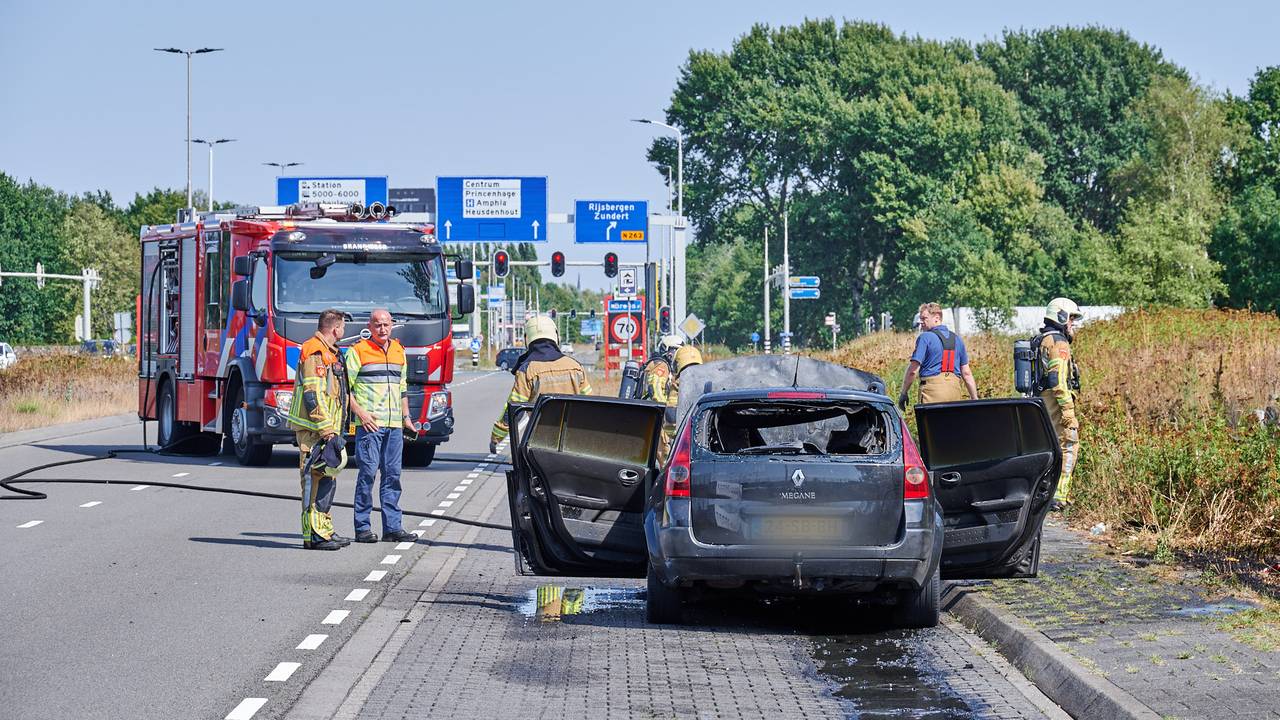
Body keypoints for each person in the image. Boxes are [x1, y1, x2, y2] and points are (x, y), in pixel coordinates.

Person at [345, 309, 421, 544]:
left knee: (393, 476)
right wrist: (361, 414)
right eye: (378, 325)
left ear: (392, 325)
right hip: (370, 425)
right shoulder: (358, 351)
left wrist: (406, 417)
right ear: (370, 326)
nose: (382, 329)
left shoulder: (399, 350)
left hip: (395, 426)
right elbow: (344, 389)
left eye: (386, 324)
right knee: (367, 474)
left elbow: (402, 388)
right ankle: (363, 528)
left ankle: (392, 528)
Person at [285, 308, 352, 551]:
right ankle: (313, 535)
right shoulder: (315, 351)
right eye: (343, 326)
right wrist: (327, 431)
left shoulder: (330, 353)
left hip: (327, 430)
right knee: (313, 482)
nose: (344, 331)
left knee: (327, 479)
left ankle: (324, 530)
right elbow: (313, 396)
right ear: (336, 328)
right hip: (315, 431)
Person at [490, 315, 593, 454]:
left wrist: (496, 437)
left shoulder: (527, 369)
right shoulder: (575, 366)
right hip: (572, 438)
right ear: (555, 336)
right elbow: (590, 404)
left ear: (528, 338)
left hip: (539, 440)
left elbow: (514, 410)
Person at [1033, 298, 1084, 510]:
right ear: (1061, 317)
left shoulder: (1041, 339)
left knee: (1048, 449)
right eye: (1071, 319)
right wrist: (1068, 413)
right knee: (1070, 444)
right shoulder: (1059, 343)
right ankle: (1059, 496)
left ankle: (1046, 492)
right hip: (1055, 406)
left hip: (1041, 403)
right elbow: (1057, 381)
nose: (1072, 324)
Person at [898, 303, 978, 410]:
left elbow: (913, 370)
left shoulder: (925, 337)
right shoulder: (957, 339)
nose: (921, 322)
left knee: (930, 426)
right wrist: (974, 398)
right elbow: (967, 373)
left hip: (932, 394)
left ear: (937, 318)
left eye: (924, 318)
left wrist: (904, 393)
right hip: (955, 392)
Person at [657, 345, 703, 464]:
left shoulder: (678, 385)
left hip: (685, 447)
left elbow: (671, 423)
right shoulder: (709, 381)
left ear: (677, 364)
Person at [640, 334, 685, 403]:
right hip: (651, 408)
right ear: (667, 350)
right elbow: (655, 388)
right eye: (676, 350)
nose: (679, 355)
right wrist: (666, 407)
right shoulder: (661, 365)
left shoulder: (659, 364)